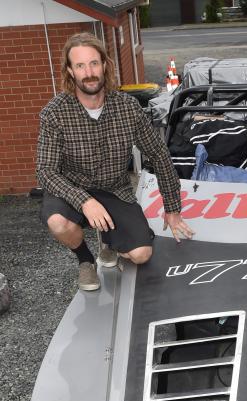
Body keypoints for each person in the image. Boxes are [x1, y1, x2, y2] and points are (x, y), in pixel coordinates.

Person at [37, 32, 193, 292]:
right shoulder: (54, 113)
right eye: (80, 65)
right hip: (70, 189)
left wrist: (172, 207)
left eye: (94, 63)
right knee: (58, 223)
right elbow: (46, 172)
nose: (89, 72)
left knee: (142, 254)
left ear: (105, 65)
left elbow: (159, 155)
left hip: (113, 188)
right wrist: (85, 201)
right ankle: (85, 259)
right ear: (70, 71)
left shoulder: (128, 108)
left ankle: (110, 243)